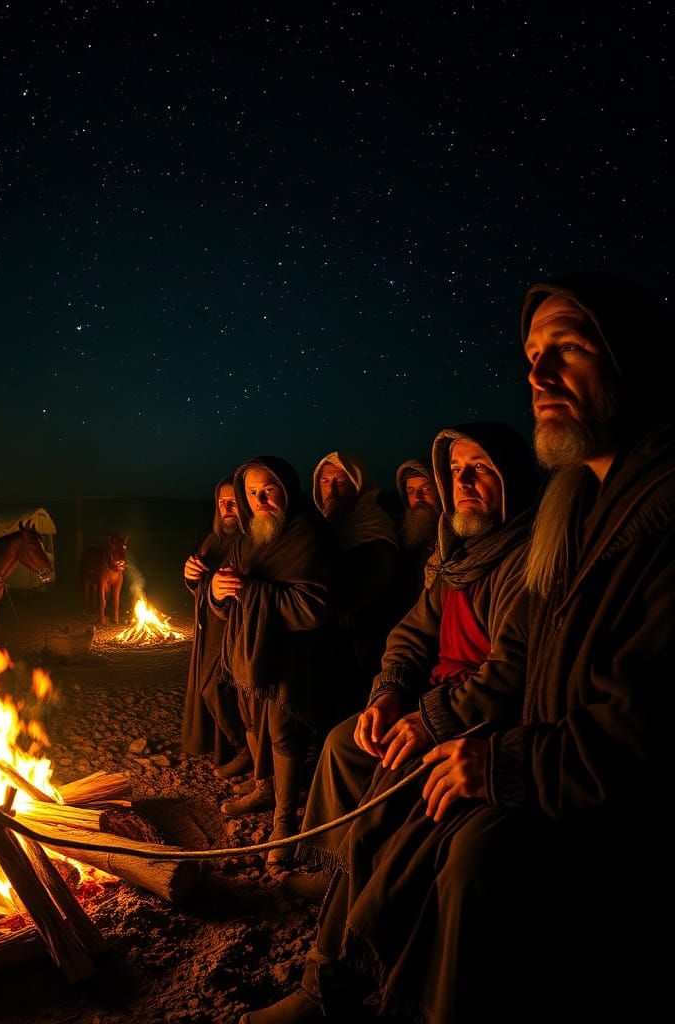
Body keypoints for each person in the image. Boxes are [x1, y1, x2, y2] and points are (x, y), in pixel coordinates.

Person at [242, 273, 671, 1024]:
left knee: (445, 827)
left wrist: (461, 735)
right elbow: (412, 632)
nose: (536, 375)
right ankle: (336, 942)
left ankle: (356, 969)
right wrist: (388, 691)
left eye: (568, 348)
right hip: (527, 741)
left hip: (557, 765)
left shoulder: (633, 520)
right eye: (532, 354)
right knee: (362, 744)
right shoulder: (559, 515)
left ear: (631, 357)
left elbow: (535, 676)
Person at [285, 425, 536, 899]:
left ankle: (372, 883)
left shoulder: (526, 559)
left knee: (397, 762)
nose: (462, 482)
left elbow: (511, 670)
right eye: (455, 470)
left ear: (511, 478)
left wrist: (430, 720)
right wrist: (389, 692)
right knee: (345, 742)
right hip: (431, 695)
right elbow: (412, 633)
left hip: (481, 718)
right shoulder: (457, 558)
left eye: (479, 468)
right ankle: (336, 866)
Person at [211, 456, 330, 866]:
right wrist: (216, 588)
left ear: (287, 490)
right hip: (249, 651)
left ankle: (285, 821)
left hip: (290, 654)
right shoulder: (246, 541)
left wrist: (252, 592)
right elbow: (229, 602)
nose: (260, 499)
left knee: (283, 732)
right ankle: (264, 787)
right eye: (252, 492)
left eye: (269, 489)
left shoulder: (306, 536)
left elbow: (314, 605)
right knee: (251, 718)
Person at [311, 451, 398, 709]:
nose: (332, 490)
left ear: (358, 485)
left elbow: (383, 574)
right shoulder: (326, 523)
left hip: (364, 632)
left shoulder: (373, 523)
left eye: (341, 481)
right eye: (325, 481)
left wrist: (354, 604)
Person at [180, 476, 245, 770]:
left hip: (232, 630)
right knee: (207, 686)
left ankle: (243, 748)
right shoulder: (213, 539)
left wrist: (218, 590)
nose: (227, 507)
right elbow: (201, 585)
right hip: (210, 627)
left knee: (215, 687)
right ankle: (227, 747)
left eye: (234, 501)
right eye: (222, 502)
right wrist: (191, 575)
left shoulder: (249, 540)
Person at [393, 457, 441, 610]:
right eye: (411, 491)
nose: (418, 497)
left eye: (426, 489)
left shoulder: (454, 539)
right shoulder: (405, 538)